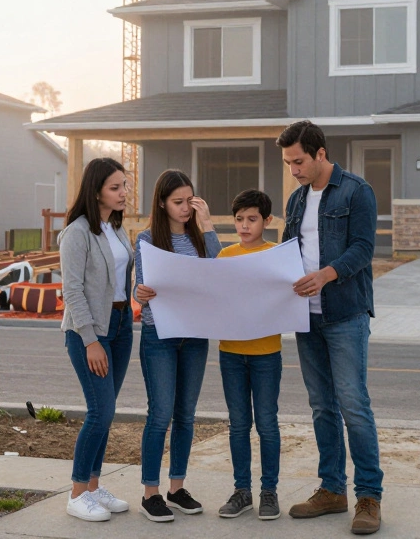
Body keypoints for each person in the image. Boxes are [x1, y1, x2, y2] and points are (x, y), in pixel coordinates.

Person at [277, 120, 383, 535]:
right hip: (306, 318)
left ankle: (369, 497)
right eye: (288, 163)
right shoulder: (297, 199)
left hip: (345, 314)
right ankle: (332, 489)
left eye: (298, 161)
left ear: (320, 153)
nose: (294, 170)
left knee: (354, 406)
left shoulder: (358, 191)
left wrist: (326, 275)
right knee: (321, 405)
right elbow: (290, 252)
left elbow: (363, 249)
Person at [132, 169, 222, 522]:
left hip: (195, 335)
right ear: (162, 203)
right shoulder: (147, 239)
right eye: (178, 202)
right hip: (160, 336)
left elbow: (218, 270)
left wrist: (209, 223)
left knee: (186, 415)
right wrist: (140, 293)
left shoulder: (201, 239)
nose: (186, 208)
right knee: (160, 415)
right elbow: (143, 287)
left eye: (190, 200)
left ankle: (176, 488)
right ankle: (150, 493)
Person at [59, 158, 135, 522]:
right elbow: (71, 291)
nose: (123, 193)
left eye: (124, 185)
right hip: (89, 331)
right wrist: (90, 340)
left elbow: (120, 279)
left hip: (121, 325)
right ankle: (76, 494)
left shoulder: (117, 228)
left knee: (107, 413)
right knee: (99, 411)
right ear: (96, 191)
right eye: (115, 187)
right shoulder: (77, 233)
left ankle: (93, 487)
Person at [215, 189, 283, 522]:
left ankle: (268, 492)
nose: (244, 225)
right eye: (239, 219)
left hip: (267, 353)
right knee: (238, 425)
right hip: (230, 353)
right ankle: (242, 491)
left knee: (267, 424)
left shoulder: (278, 255)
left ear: (267, 221)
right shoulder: (224, 256)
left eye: (252, 219)